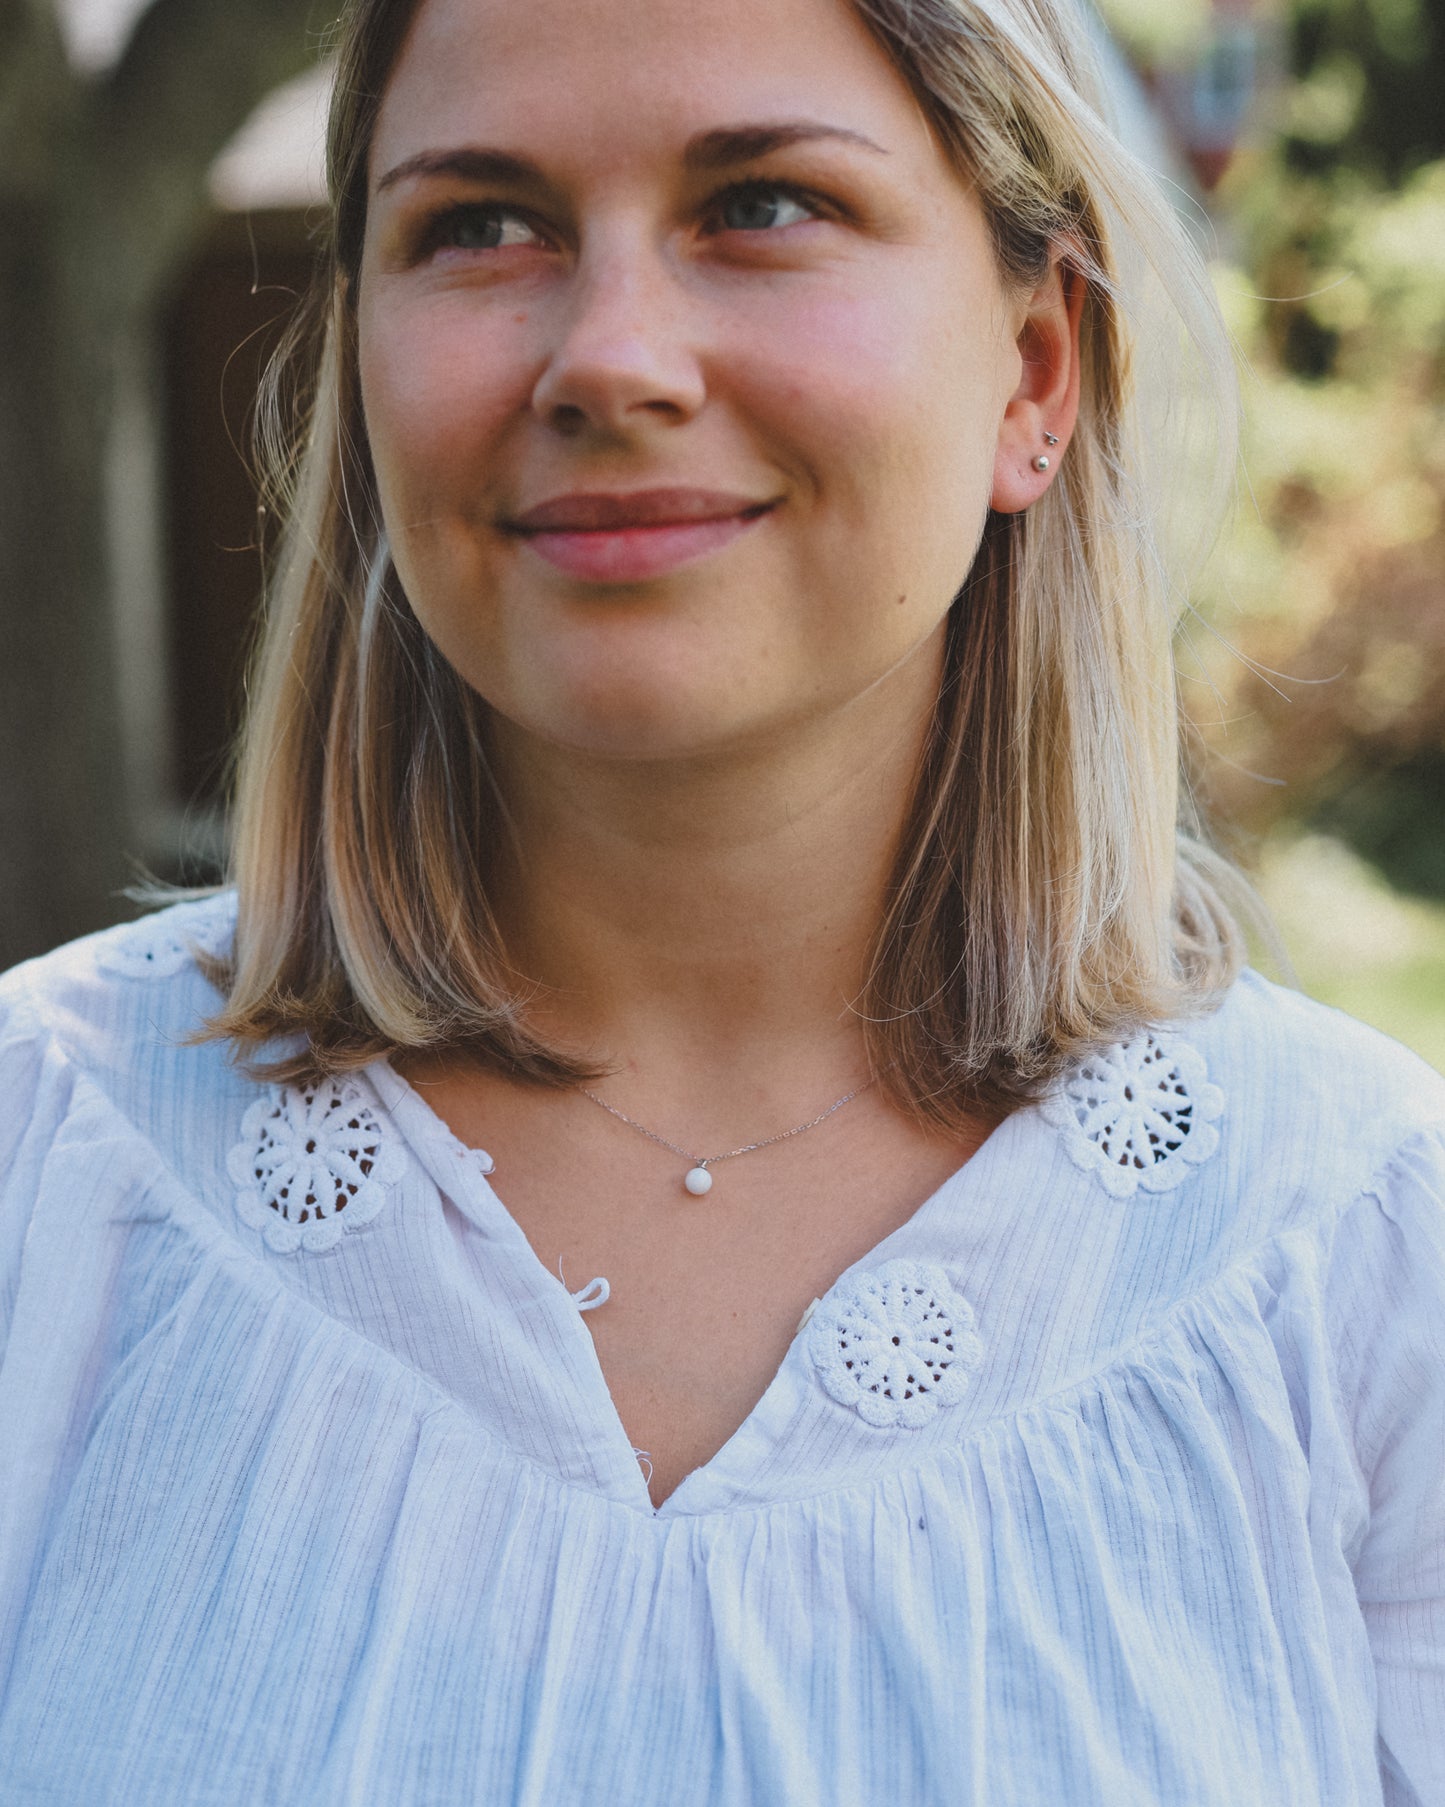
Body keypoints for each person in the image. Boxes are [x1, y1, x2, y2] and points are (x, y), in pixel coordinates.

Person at [0, 0, 1440, 1797]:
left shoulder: (1371, 1256)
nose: (609, 358)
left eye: (759, 205)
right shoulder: (47, 1162)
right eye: (479, 223)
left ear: (1034, 376)